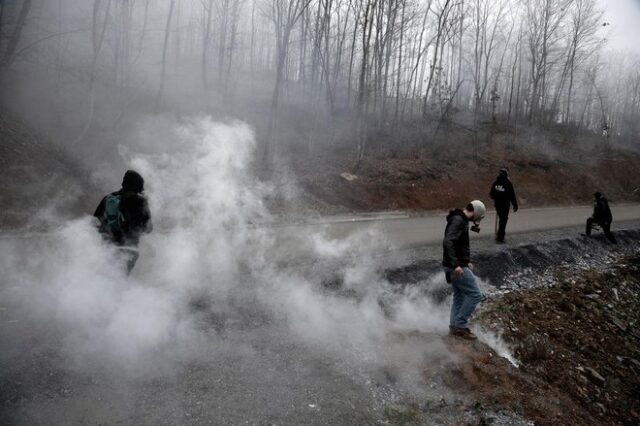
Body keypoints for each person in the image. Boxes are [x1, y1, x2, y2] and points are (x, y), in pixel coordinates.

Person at [94, 170, 153, 274]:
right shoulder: (141, 202)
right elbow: (148, 228)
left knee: (106, 277)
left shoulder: (109, 198)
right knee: (120, 279)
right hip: (129, 249)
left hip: (109, 248)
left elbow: (95, 222)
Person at [443, 200, 486, 340]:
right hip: (455, 267)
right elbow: (448, 241)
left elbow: (458, 244)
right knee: (475, 294)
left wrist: (466, 261)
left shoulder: (460, 219)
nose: (476, 221)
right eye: (477, 217)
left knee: (460, 296)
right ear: (475, 212)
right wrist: (456, 265)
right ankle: (460, 326)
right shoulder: (458, 221)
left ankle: (453, 326)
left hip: (455, 264)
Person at [489, 167, 518, 243]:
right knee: (503, 220)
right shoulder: (508, 183)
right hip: (505, 206)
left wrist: (496, 197)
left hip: (497, 205)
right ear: (506, 174)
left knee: (501, 220)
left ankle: (499, 235)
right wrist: (515, 205)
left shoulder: (495, 183)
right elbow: (512, 195)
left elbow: (491, 194)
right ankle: (500, 237)